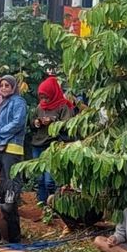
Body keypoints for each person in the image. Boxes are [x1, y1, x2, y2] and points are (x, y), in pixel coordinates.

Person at [30, 75, 74, 203]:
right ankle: (42, 204)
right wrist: (37, 123)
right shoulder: (40, 107)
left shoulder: (64, 106)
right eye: (42, 97)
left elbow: (69, 126)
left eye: (46, 97)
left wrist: (53, 121)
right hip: (38, 144)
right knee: (39, 178)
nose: (44, 100)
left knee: (50, 180)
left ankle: (54, 205)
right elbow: (32, 122)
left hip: (53, 144)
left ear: (53, 93)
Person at [0, 75, 28, 180]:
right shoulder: (4, 102)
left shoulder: (18, 101)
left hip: (12, 146)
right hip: (0, 146)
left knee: (12, 179)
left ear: (13, 87)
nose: (3, 88)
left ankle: (14, 197)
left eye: (7, 85)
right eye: (1, 85)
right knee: (2, 179)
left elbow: (18, 123)